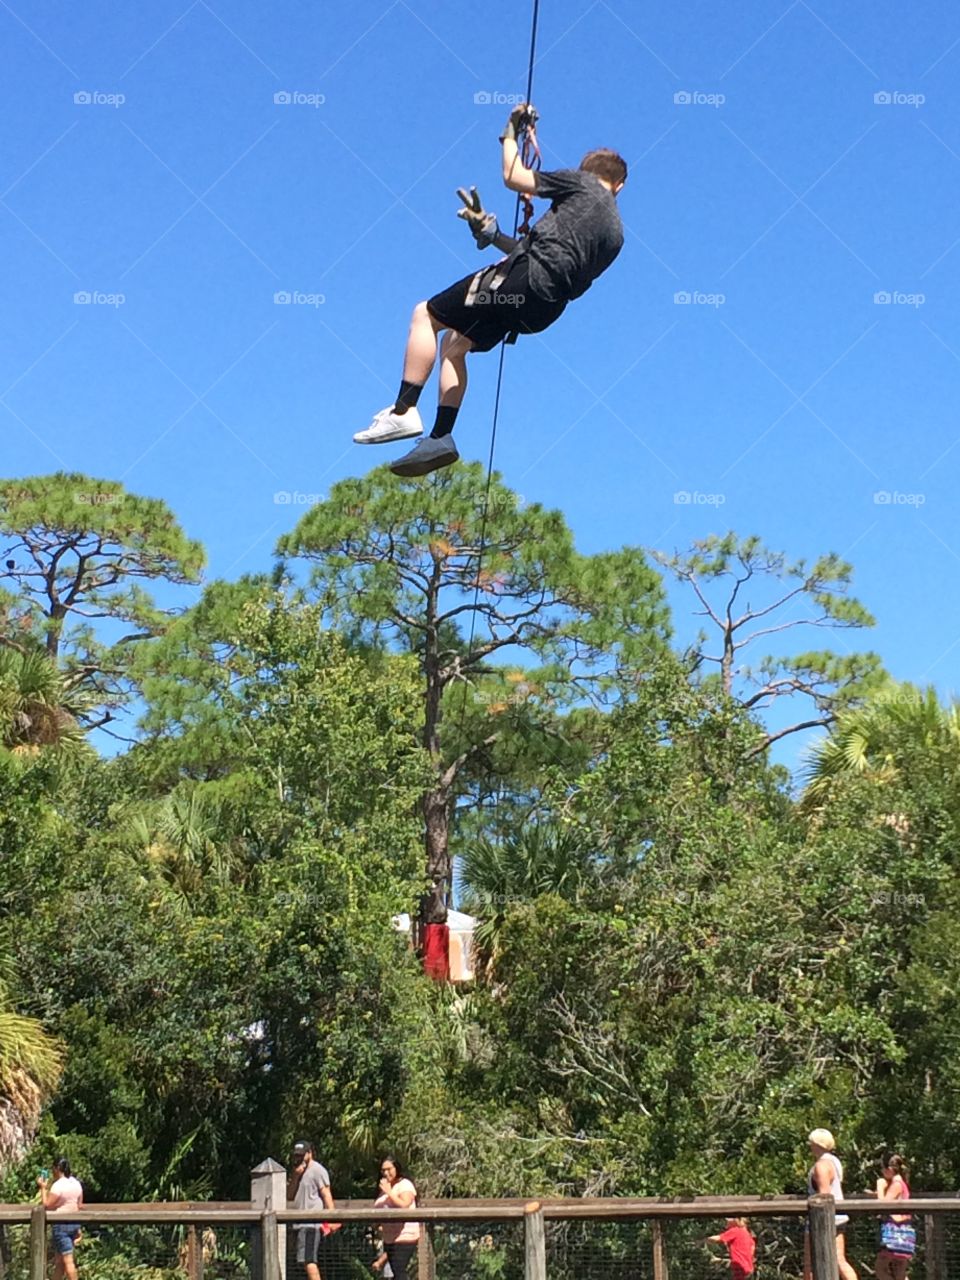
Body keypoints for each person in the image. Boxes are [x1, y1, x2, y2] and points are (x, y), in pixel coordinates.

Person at [353, 103, 627, 477]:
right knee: (455, 345)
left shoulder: (581, 184)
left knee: (425, 314)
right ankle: (441, 437)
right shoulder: (615, 236)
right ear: (621, 186)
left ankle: (402, 411)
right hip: (542, 309)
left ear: (586, 173)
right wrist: (493, 235)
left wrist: (511, 131)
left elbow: (514, 175)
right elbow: (548, 260)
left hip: (522, 280)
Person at [804, 1128, 858, 1280]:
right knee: (840, 1260)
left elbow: (824, 1196)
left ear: (817, 1144)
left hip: (823, 1220)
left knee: (810, 1265)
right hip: (838, 1218)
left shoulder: (821, 1166)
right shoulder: (835, 1162)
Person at [288, 1140, 340, 1280]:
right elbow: (289, 1195)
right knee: (303, 1261)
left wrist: (333, 1218)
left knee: (309, 1260)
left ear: (309, 1153)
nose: (298, 1158)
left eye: (301, 1155)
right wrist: (295, 1176)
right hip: (298, 1223)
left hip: (311, 1224)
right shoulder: (297, 1172)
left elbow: (326, 1194)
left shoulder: (317, 1170)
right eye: (296, 1155)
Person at [370, 1156, 419, 1280]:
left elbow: (404, 1205)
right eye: (383, 1170)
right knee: (396, 1273)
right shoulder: (383, 1187)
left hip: (405, 1236)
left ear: (396, 1168)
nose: (386, 1173)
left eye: (389, 1169)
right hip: (389, 1238)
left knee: (399, 1270)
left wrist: (389, 1192)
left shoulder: (404, 1184)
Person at [866, 1154, 914, 1280]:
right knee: (899, 1271)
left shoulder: (897, 1184)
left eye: (882, 1168)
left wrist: (880, 1187)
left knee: (880, 1268)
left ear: (890, 1169)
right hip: (902, 1231)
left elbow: (883, 1205)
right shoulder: (899, 1183)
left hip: (895, 1232)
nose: (881, 1172)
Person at [37, 1158, 83, 1280]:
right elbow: (79, 1205)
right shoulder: (75, 1183)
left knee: (68, 1261)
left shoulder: (58, 1186)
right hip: (74, 1222)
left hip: (61, 1225)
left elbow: (46, 1204)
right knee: (60, 1263)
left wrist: (43, 1187)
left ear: (57, 1169)